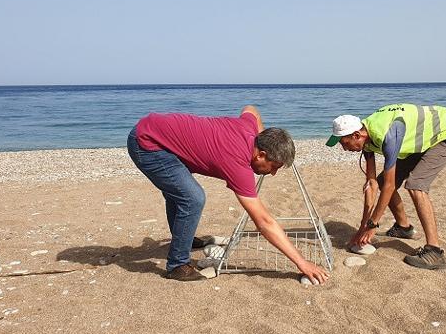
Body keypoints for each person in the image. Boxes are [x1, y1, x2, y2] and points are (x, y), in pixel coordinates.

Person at [127, 105, 330, 283]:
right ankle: (177, 265)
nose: (273, 173)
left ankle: (183, 241)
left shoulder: (250, 130)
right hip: (147, 144)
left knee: (181, 194)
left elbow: (251, 109)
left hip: (156, 133)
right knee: (192, 198)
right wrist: (302, 263)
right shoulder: (237, 163)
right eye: (273, 166)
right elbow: (264, 222)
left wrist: (262, 134)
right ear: (261, 154)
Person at [325, 104, 446, 270]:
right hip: (418, 139)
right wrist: (363, 227)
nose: (345, 149)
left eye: (344, 143)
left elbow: (390, 187)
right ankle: (403, 228)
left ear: (356, 135)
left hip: (442, 136)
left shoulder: (387, 135)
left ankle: (434, 252)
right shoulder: (366, 138)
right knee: (382, 181)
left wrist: (373, 225)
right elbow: (372, 184)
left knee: (416, 185)